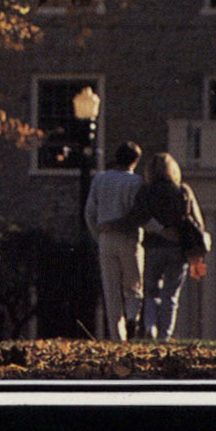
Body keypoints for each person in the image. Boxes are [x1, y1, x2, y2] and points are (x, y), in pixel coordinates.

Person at [125, 152, 209, 340]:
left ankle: (150, 325)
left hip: (152, 247)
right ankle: (165, 335)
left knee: (150, 290)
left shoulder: (146, 192)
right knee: (171, 294)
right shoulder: (182, 191)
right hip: (178, 249)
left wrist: (159, 229)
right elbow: (197, 221)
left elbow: (137, 217)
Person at [83, 140, 144, 341]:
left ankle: (117, 335)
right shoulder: (136, 182)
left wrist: (98, 235)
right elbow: (139, 214)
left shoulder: (100, 179)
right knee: (133, 284)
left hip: (106, 237)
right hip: (129, 237)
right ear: (135, 161)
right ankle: (133, 318)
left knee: (111, 289)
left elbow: (90, 212)